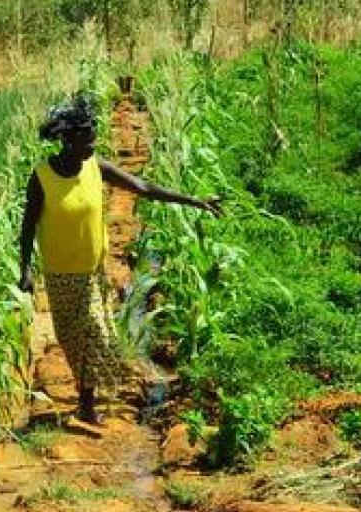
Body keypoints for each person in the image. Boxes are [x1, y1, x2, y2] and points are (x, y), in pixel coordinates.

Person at [18, 94, 222, 425]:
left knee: (98, 334)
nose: (93, 146)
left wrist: (194, 201)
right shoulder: (42, 178)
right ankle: (87, 402)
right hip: (61, 275)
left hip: (93, 272)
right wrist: (25, 269)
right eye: (87, 140)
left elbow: (143, 186)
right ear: (68, 141)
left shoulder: (96, 167)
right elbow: (27, 226)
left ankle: (87, 404)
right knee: (75, 340)